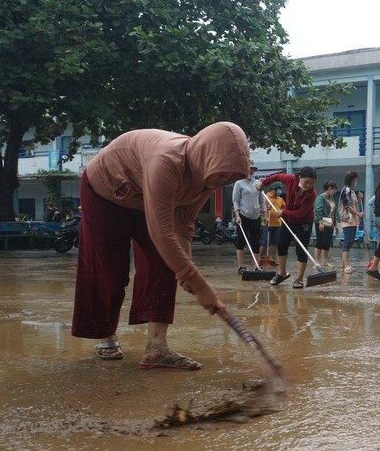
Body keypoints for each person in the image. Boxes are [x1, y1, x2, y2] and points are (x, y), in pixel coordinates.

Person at [72, 121, 249, 370]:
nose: (225, 179)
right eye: (223, 172)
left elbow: (184, 224)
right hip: (107, 192)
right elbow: (161, 230)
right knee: (110, 271)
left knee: (166, 264)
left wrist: (184, 269)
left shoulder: (208, 178)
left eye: (231, 175)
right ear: (206, 155)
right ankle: (106, 336)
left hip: (147, 198)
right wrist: (200, 286)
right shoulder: (165, 160)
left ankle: (157, 348)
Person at [260, 166, 317, 289]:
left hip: (304, 222)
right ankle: (282, 273)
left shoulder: (311, 194)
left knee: (301, 249)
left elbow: (301, 213)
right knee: (281, 245)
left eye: (312, 183)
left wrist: (283, 213)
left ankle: (300, 279)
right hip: (289, 220)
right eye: (306, 182)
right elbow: (276, 177)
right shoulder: (291, 179)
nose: (308, 185)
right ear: (300, 178)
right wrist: (264, 183)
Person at [232, 163, 266, 274]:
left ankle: (257, 266)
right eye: (250, 168)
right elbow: (235, 200)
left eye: (254, 169)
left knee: (256, 241)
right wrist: (237, 215)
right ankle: (241, 266)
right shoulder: (239, 183)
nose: (252, 171)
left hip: (256, 216)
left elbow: (262, 200)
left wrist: (265, 214)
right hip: (243, 216)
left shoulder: (258, 183)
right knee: (241, 241)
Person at [338, 171, 364, 273]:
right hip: (347, 220)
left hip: (352, 220)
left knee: (350, 242)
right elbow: (347, 206)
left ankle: (344, 264)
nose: (357, 181)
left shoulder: (351, 191)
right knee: (347, 242)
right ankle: (346, 265)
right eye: (356, 179)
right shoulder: (346, 190)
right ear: (354, 179)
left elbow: (354, 204)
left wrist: (359, 199)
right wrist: (359, 214)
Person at [314, 180, 338, 268]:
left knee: (327, 242)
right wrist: (320, 222)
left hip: (330, 223)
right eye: (335, 189)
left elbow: (334, 213)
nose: (335, 192)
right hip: (322, 222)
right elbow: (318, 210)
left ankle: (324, 261)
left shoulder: (332, 199)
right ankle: (316, 261)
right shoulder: (320, 198)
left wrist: (335, 225)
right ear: (330, 189)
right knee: (320, 241)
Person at [260, 182, 285, 265]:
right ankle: (259, 257)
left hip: (277, 224)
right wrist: (266, 208)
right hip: (267, 223)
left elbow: (285, 208)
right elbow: (259, 209)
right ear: (274, 189)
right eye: (278, 189)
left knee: (275, 242)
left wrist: (282, 211)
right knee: (265, 241)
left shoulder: (280, 199)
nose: (280, 191)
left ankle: (271, 258)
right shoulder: (265, 197)